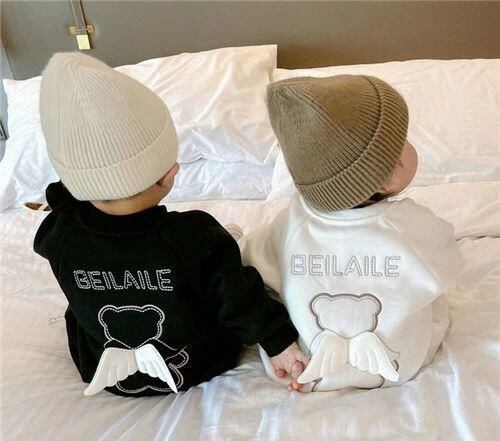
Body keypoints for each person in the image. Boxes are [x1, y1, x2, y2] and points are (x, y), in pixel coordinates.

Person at [34, 52, 308, 397]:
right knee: (223, 266)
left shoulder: (59, 233)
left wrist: (78, 185)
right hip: (195, 363)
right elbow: (239, 300)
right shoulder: (196, 237)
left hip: (101, 368)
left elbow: (61, 201)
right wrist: (279, 342)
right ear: (169, 176)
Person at [241, 75, 463, 391]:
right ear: (386, 179)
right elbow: (451, 263)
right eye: (402, 141)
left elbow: (251, 260)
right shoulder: (410, 225)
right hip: (398, 362)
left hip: (311, 362)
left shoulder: (292, 221)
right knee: (432, 297)